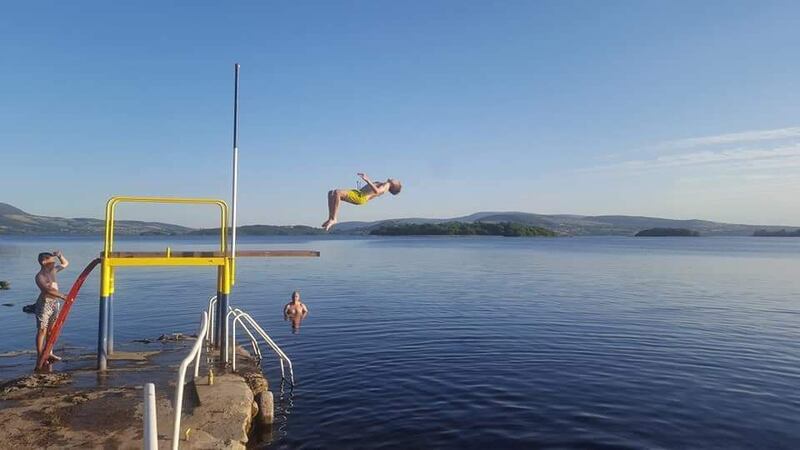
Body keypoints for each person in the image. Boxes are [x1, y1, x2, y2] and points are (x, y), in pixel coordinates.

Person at [322, 173, 402, 231]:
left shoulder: (386, 186)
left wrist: (367, 180)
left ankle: (334, 218)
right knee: (331, 193)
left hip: (361, 197)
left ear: (394, 185)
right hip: (358, 193)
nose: (395, 179)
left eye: (397, 181)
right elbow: (370, 190)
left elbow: (377, 191)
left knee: (337, 192)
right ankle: (330, 218)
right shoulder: (384, 184)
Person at [34, 250, 69, 370]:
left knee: (51, 330)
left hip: (55, 303)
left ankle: (49, 351)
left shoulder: (53, 271)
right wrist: (63, 296)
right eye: (51, 259)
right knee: (42, 330)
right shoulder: (40, 276)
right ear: (44, 262)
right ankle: (40, 354)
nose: (54, 262)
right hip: (45, 303)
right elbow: (47, 290)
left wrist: (59, 255)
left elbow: (65, 263)